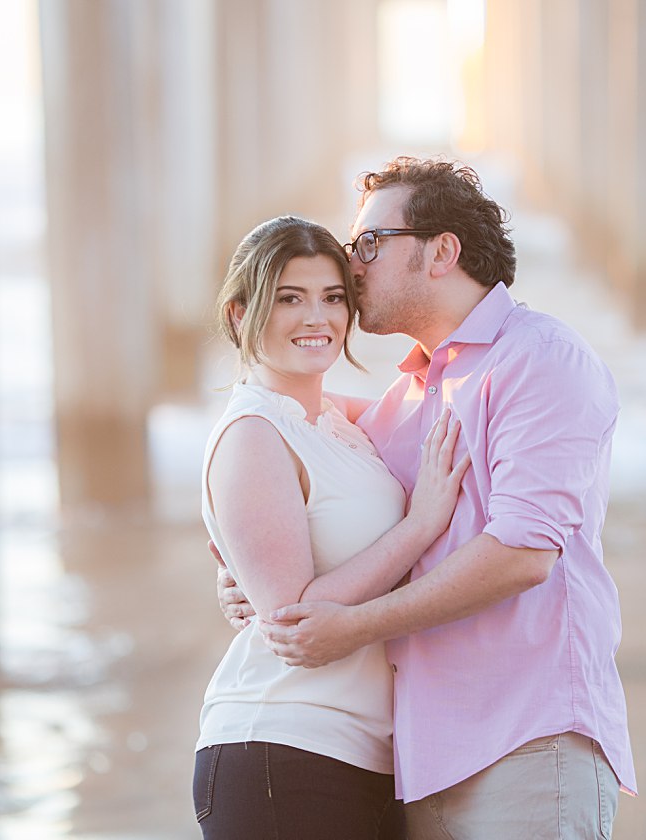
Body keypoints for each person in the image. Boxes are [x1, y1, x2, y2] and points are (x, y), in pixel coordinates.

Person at [221, 158, 637, 838]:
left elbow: (523, 554)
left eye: (369, 245)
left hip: (527, 737)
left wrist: (354, 626)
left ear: (442, 252)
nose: (353, 267)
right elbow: (292, 441)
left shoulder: (539, 358)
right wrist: (244, 567)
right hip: (417, 758)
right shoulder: (409, 394)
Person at [193, 215, 470, 840]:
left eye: (333, 297)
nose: (317, 317)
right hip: (282, 745)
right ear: (241, 315)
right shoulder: (252, 434)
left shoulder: (337, 423)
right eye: (290, 298)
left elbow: (440, 400)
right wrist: (420, 524)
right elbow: (293, 618)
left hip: (365, 755)